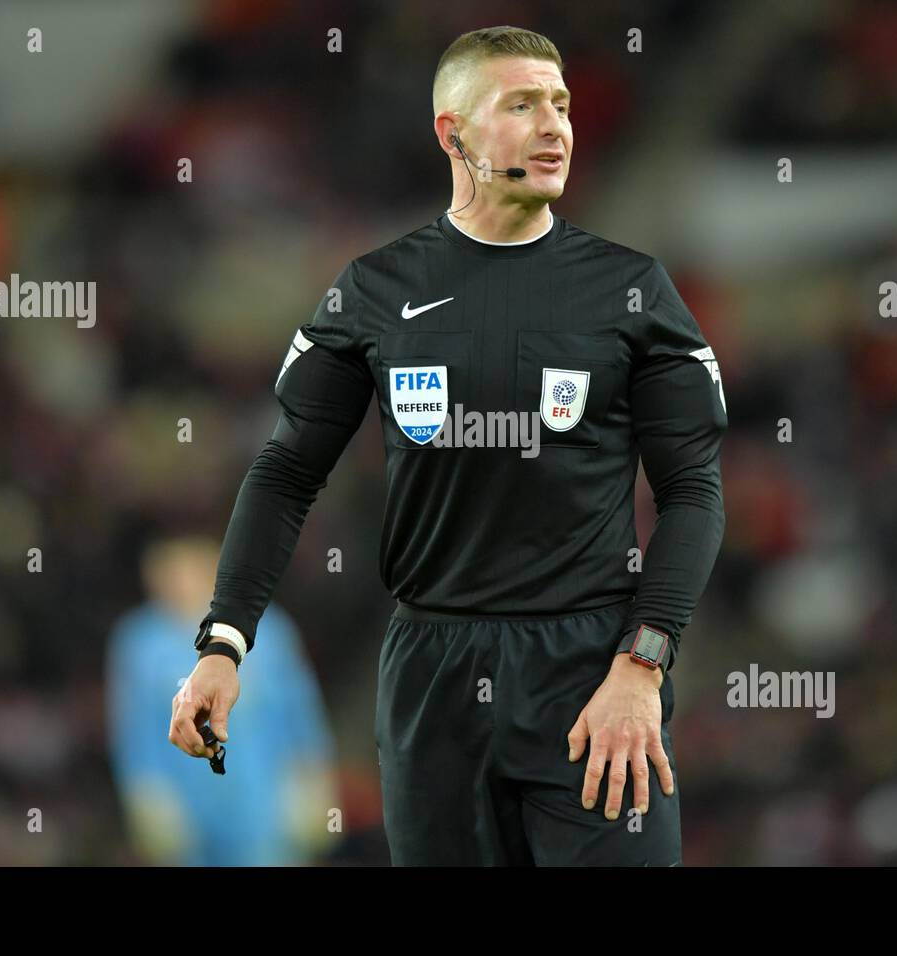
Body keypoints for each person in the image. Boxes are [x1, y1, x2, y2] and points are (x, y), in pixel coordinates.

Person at [170, 25, 727, 866]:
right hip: (433, 678)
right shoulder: (374, 290)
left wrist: (642, 665)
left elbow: (693, 489)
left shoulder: (633, 289)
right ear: (453, 132)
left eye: (563, 105)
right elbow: (286, 472)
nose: (555, 127)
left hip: (591, 672)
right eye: (524, 104)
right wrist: (223, 644)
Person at [111, 535, 336, 865]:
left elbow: (299, 709)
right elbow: (133, 727)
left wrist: (313, 778)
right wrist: (146, 793)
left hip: (264, 800)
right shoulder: (140, 643)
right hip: (184, 804)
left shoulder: (266, 630)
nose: (181, 581)